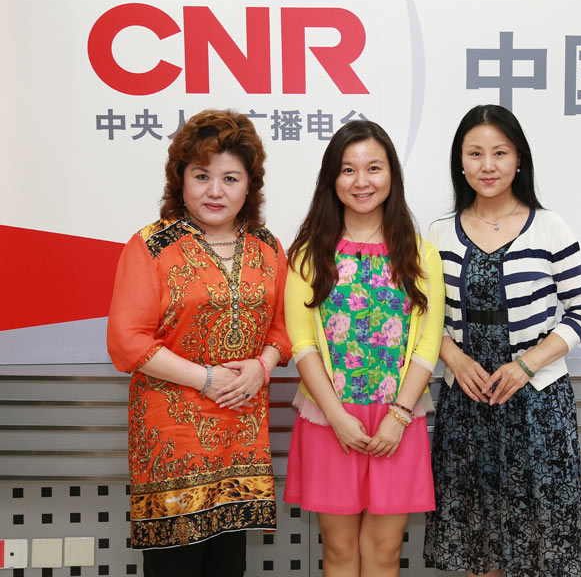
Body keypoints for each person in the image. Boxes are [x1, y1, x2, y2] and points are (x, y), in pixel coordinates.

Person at [106, 109, 290, 577]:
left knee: (229, 566)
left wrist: (263, 367)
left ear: (249, 185)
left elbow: (283, 329)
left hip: (240, 438)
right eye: (202, 176)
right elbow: (126, 342)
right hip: (172, 443)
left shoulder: (268, 247)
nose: (215, 191)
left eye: (230, 178)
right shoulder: (151, 245)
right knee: (175, 567)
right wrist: (206, 378)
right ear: (181, 179)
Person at [424, 104, 581, 577]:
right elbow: (424, 318)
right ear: (460, 162)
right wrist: (455, 360)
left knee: (539, 546)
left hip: (537, 407)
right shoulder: (439, 234)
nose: (488, 165)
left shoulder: (549, 226)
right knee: (478, 544)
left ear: (519, 159)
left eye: (500, 153)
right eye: (475, 153)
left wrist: (525, 365)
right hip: (468, 404)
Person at [283, 120, 444, 576]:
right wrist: (336, 416)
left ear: (391, 174)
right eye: (348, 170)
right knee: (338, 552)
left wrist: (399, 416)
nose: (361, 181)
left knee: (385, 551)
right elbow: (303, 345)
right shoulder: (309, 254)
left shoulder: (420, 254)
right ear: (332, 179)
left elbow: (428, 345)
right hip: (329, 419)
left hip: (399, 421)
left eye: (374, 168)